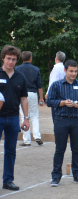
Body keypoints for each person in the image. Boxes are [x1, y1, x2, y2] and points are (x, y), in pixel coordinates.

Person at [47, 60, 78, 187]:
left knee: (76, 149)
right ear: (65, 70)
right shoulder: (56, 85)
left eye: (76, 71)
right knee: (60, 149)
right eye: (71, 71)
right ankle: (56, 177)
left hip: (77, 120)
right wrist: (62, 103)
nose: (74, 74)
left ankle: (77, 175)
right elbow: (49, 101)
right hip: (61, 119)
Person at [0, 45, 30, 191]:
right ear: (3, 58)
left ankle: (8, 180)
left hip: (13, 118)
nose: (11, 62)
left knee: (10, 150)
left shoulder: (20, 77)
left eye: (14, 59)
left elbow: (24, 99)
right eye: (8, 59)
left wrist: (26, 118)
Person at [15, 51, 44, 146]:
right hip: (33, 93)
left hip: (22, 94)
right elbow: (39, 85)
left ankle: (26, 140)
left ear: (22, 58)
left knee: (23, 115)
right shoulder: (36, 69)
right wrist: (41, 98)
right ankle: (37, 136)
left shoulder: (17, 69)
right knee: (35, 115)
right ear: (30, 58)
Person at [45, 51, 66, 122]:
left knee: (55, 116)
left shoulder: (56, 68)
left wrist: (48, 93)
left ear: (56, 58)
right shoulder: (64, 68)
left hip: (56, 95)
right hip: (63, 93)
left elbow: (53, 82)